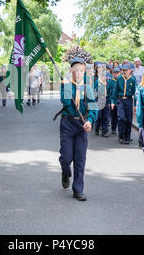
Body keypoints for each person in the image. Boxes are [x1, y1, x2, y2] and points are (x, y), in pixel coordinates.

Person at [59, 57, 98, 202]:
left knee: (80, 159)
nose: (79, 73)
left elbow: (93, 107)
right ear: (71, 71)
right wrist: (68, 85)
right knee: (66, 157)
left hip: (81, 127)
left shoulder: (88, 88)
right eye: (76, 70)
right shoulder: (65, 85)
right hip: (68, 124)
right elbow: (67, 103)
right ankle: (65, 172)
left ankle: (78, 190)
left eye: (82, 70)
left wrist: (90, 120)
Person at [111, 63, 136, 144]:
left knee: (129, 119)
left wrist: (135, 104)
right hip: (120, 100)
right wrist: (113, 101)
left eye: (126, 70)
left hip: (128, 100)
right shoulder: (119, 79)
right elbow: (115, 91)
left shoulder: (133, 79)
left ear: (130, 71)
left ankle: (127, 137)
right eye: (123, 70)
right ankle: (121, 135)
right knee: (121, 118)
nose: (125, 72)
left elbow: (135, 93)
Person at [95, 71, 115, 137]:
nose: (106, 79)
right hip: (99, 100)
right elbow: (95, 92)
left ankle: (104, 131)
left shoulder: (108, 83)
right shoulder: (97, 82)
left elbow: (110, 93)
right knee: (99, 116)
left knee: (106, 116)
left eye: (107, 78)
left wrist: (109, 102)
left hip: (106, 100)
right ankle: (97, 129)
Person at [110, 67, 120, 135]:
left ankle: (119, 129)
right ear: (113, 74)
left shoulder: (121, 81)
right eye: (115, 73)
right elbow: (109, 93)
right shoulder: (111, 81)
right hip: (113, 101)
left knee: (119, 116)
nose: (116, 74)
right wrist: (111, 102)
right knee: (113, 116)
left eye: (117, 73)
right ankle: (113, 128)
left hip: (119, 101)